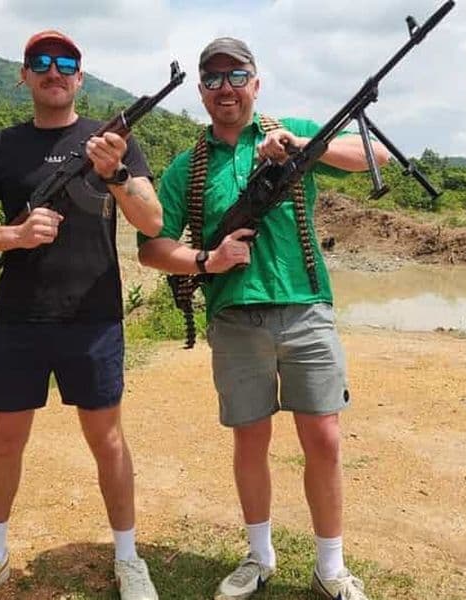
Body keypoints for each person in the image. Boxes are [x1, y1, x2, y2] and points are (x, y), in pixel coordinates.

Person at [138, 37, 389, 600]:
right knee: (250, 440)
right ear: (201, 91)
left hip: (306, 306)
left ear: (256, 81)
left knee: (323, 437)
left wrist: (302, 145)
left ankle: (331, 567)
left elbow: (373, 156)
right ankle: (260, 556)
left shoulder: (291, 129)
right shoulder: (187, 167)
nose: (226, 88)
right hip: (235, 318)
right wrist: (209, 258)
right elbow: (152, 248)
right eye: (213, 79)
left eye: (237, 75)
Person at [0, 30, 161, 600]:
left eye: (66, 63)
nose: (54, 70)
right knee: (5, 442)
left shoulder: (113, 141)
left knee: (107, 440)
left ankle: (129, 559)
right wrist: (13, 235)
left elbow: (153, 222)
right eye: (42, 62)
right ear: (25, 75)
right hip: (18, 318)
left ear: (80, 77)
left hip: (93, 316)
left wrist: (113, 175)